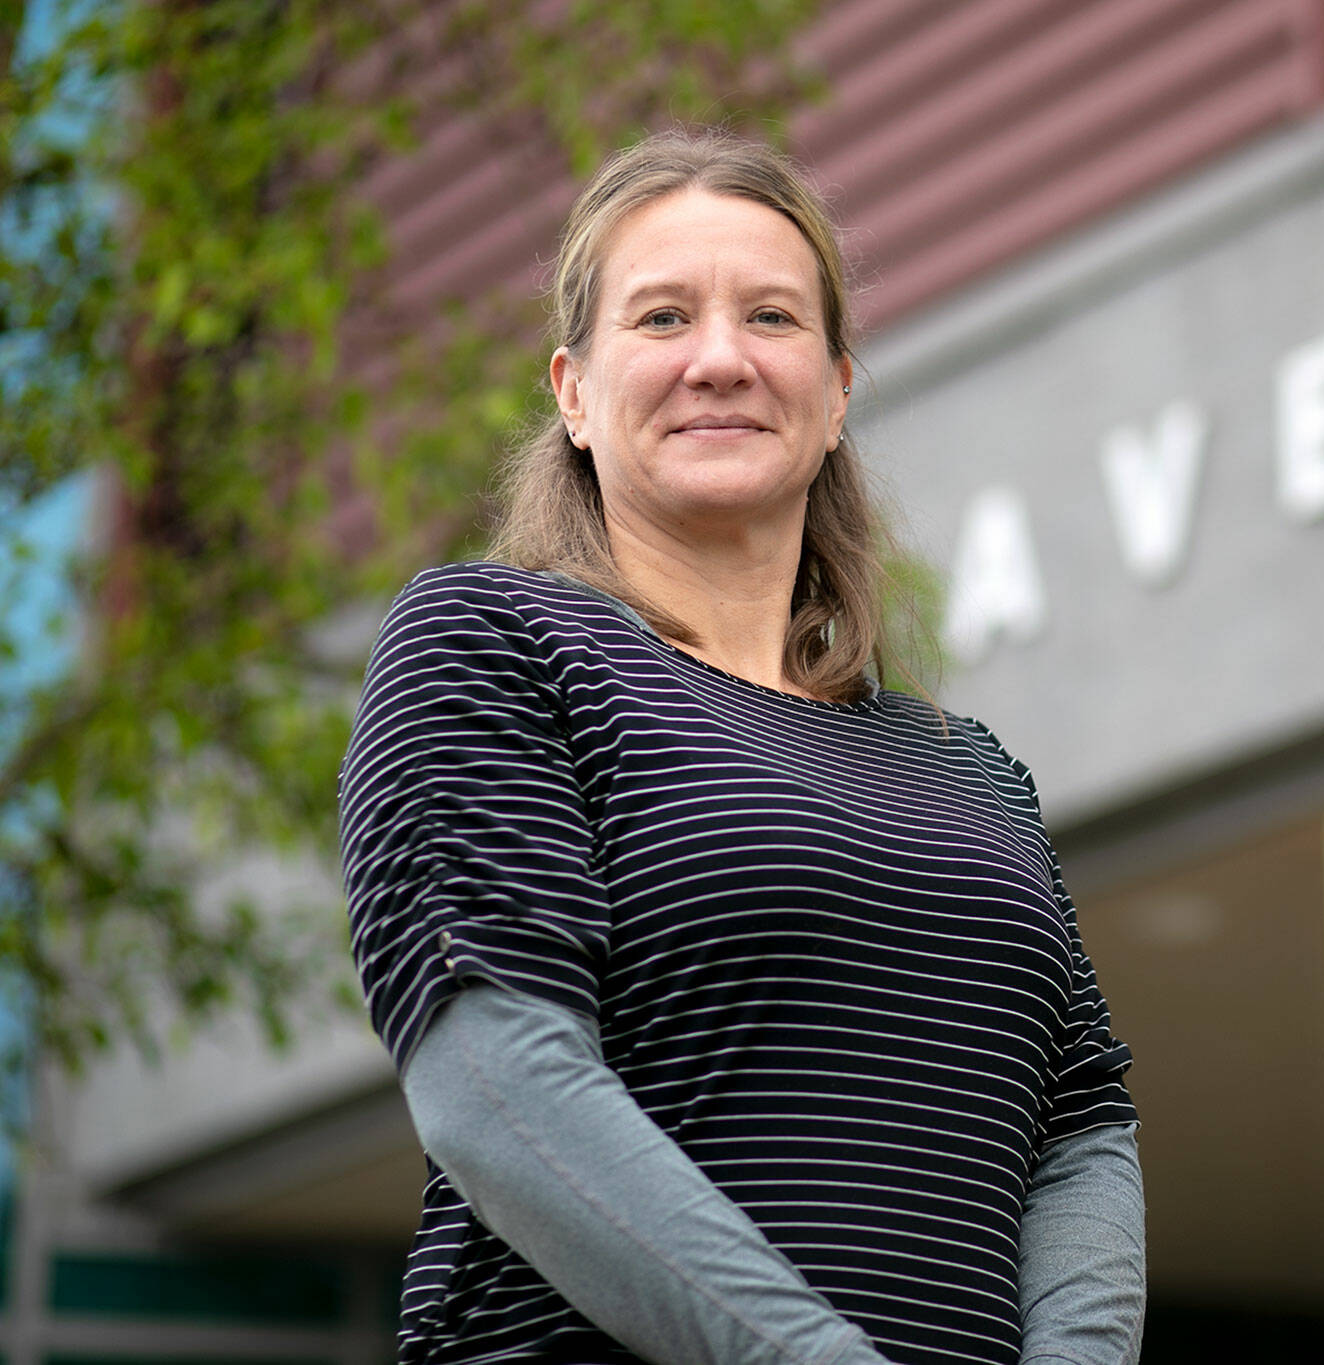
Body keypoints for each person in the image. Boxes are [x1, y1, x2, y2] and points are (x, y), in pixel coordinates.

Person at [338, 128, 1145, 1365]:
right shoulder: (492, 640)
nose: (719, 359)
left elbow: (1081, 1126)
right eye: (661, 320)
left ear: (833, 396)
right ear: (572, 394)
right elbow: (492, 1087)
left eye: (770, 318)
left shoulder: (967, 764)